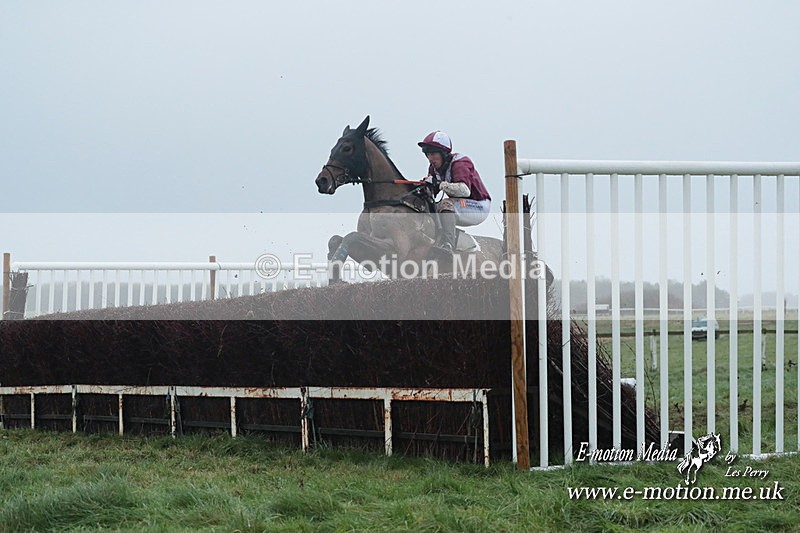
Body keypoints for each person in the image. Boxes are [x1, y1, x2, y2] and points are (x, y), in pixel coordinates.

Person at [418, 131, 491, 258]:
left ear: (443, 153)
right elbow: (433, 193)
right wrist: (424, 187)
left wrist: (439, 184)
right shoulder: (433, 168)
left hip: (479, 205)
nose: (430, 158)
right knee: (431, 206)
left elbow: (464, 190)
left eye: (433, 154)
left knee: (445, 204)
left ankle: (448, 245)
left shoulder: (460, 163)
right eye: (428, 154)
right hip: (461, 205)